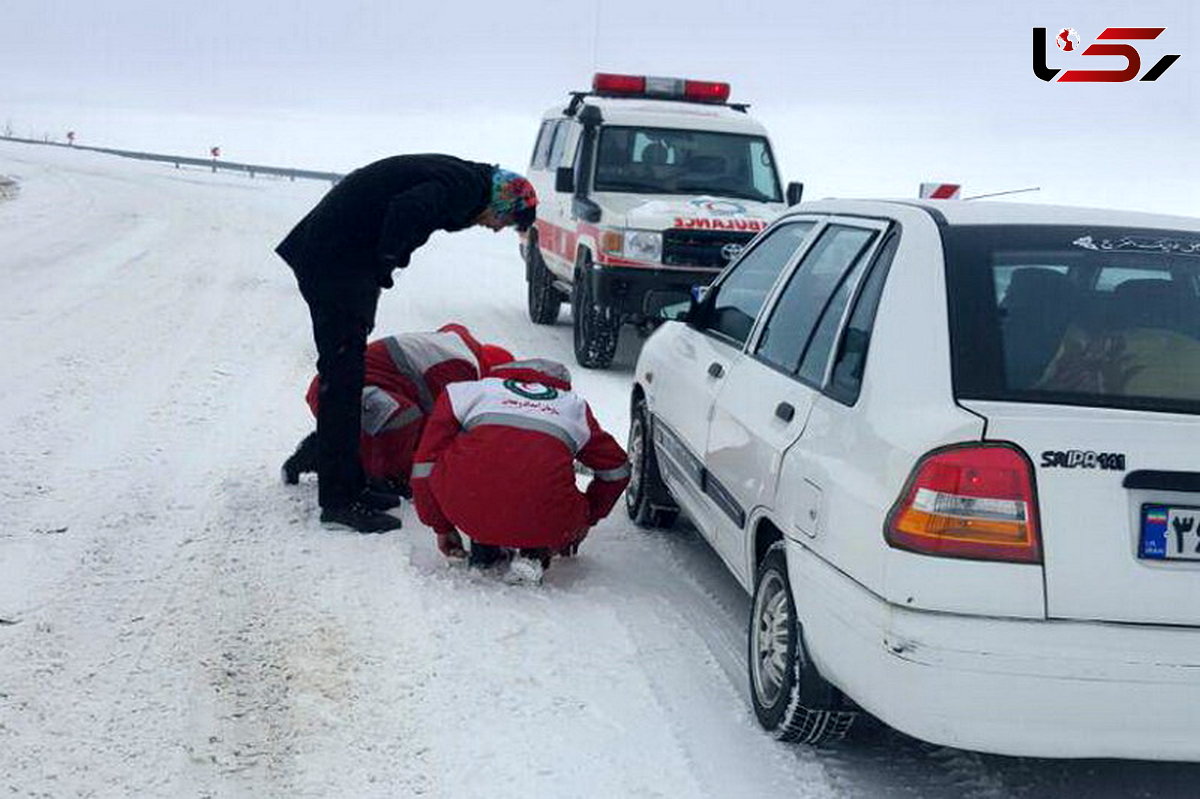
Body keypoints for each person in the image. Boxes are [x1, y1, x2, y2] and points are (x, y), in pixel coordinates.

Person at [275, 154, 537, 533]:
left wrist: (383, 263)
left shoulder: (465, 180)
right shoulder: (461, 187)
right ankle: (338, 501)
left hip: (338, 258)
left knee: (349, 375)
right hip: (335, 261)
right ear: (501, 203)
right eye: (506, 220)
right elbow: (408, 208)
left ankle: (351, 485)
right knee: (342, 381)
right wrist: (386, 261)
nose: (497, 229)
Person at [411, 358, 631, 583]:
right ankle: (535, 551)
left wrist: (442, 526)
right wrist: (586, 518)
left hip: (466, 507)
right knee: (536, 488)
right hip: (546, 516)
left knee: (478, 471)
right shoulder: (572, 406)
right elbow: (617, 470)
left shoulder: (463, 392)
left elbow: (423, 467)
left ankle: (484, 546)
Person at [281, 323, 514, 502]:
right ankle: (379, 478)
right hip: (339, 396)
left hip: (335, 392)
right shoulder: (462, 367)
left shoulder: (452, 345)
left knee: (406, 419)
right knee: (405, 417)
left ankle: (323, 451)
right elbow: (443, 427)